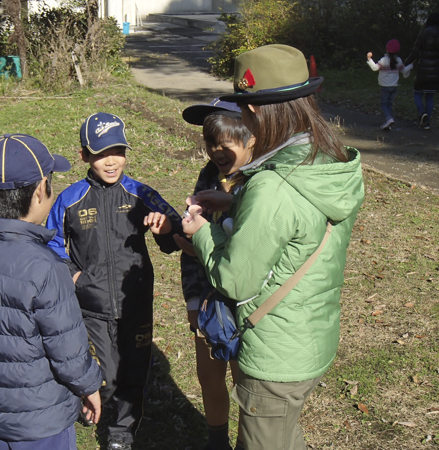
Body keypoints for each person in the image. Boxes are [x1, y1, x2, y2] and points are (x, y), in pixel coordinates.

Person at [181, 44, 365, 450]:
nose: (243, 119)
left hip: (274, 356)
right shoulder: (327, 160)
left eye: (244, 110)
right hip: (309, 335)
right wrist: (236, 202)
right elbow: (301, 222)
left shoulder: (272, 185)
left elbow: (234, 280)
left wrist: (200, 232)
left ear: (260, 112)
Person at [0, 133, 103, 450]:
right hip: (44, 422)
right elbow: (67, 349)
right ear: (42, 190)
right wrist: (89, 386)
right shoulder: (48, 268)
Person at [46, 112, 182, 450]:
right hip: (91, 305)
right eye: (101, 154)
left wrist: (165, 228)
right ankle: (93, 403)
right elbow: (47, 242)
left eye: (118, 152)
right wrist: (73, 275)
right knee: (104, 370)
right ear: (84, 156)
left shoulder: (140, 193)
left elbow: (176, 229)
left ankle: (120, 432)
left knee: (134, 369)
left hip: (135, 302)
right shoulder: (70, 199)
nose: (111, 162)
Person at [175, 98, 254, 450]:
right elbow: (193, 249)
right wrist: (193, 297)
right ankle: (216, 441)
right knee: (208, 376)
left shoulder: (260, 184)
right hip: (209, 300)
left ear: (250, 137)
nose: (216, 151)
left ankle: (250, 441)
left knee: (247, 382)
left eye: (225, 143)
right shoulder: (210, 175)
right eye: (210, 143)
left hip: (248, 303)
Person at [366, 39, 412, 130]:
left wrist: (369, 59)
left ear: (387, 50)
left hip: (384, 86)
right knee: (390, 104)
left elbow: (375, 68)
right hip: (394, 86)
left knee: (384, 104)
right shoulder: (398, 60)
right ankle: (389, 122)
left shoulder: (384, 60)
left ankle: (389, 119)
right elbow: (404, 70)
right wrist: (411, 65)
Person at [405, 12, 439, 130]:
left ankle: (421, 113)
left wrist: (406, 63)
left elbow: (415, 51)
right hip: (436, 71)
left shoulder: (424, 32)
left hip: (423, 69)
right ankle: (427, 122)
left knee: (417, 93)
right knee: (430, 96)